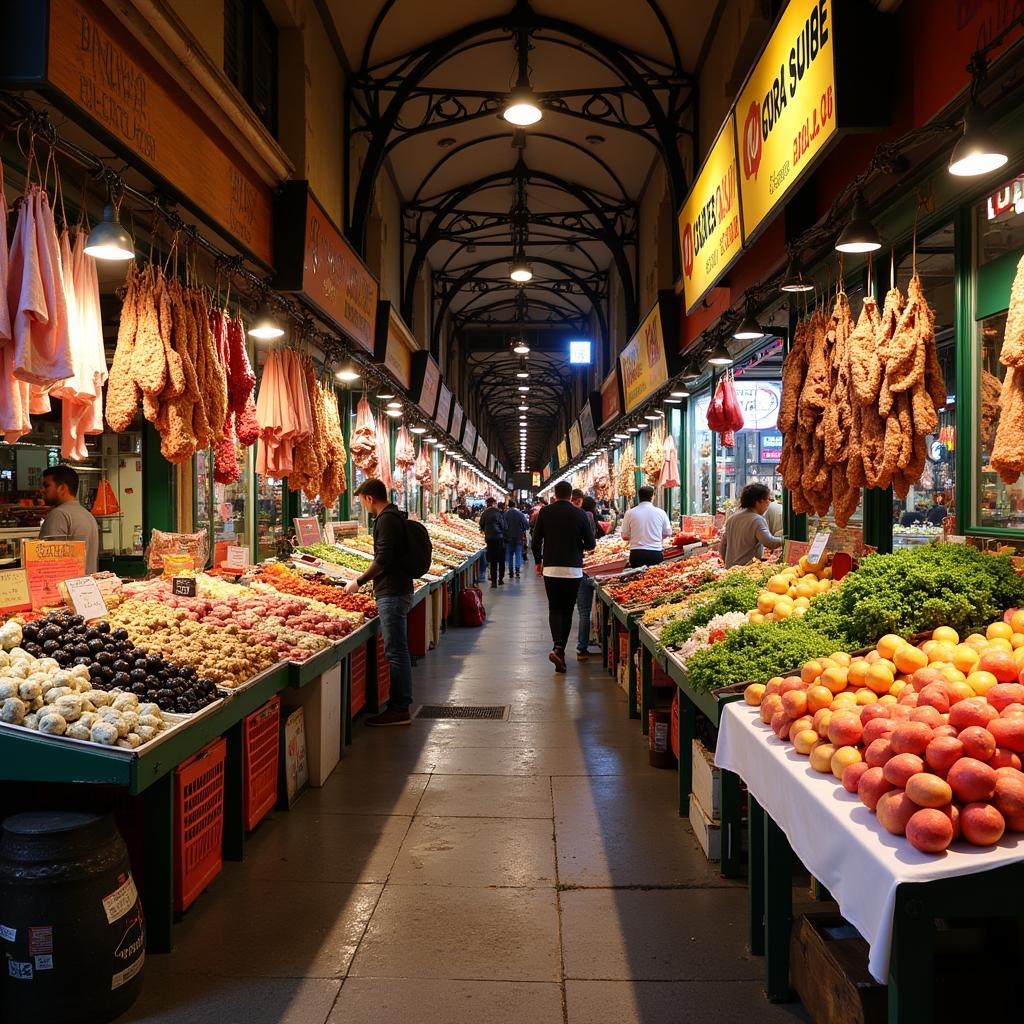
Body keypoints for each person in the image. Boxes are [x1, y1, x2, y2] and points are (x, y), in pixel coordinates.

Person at [344, 479, 414, 727]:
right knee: (397, 649)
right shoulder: (395, 515)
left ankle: (399, 708)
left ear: (369, 499)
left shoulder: (386, 520)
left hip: (392, 592)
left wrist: (359, 582)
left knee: (395, 651)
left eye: (361, 500)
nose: (362, 505)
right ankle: (399, 704)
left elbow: (383, 559)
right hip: (399, 589)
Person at [532, 480, 596, 673]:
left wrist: (538, 561)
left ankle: (557, 646)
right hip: (573, 570)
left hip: (551, 569)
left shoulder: (545, 512)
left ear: (555, 495)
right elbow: (591, 543)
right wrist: (578, 546)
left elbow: (535, 541)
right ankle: (560, 651)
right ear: (571, 496)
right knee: (568, 610)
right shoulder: (580, 514)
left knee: (554, 608)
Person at [39, 465, 99, 574]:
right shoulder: (87, 515)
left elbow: (48, 563)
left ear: (62, 488)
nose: (42, 490)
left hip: (65, 588)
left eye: (46, 486)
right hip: (88, 587)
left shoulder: (58, 514)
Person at [719, 482, 784, 568]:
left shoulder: (732, 518)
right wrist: (785, 539)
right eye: (767, 499)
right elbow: (770, 542)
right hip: (746, 569)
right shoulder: (757, 519)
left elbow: (723, 546)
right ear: (758, 502)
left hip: (730, 569)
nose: (768, 503)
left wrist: (728, 564)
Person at [571, 492, 601, 660]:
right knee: (584, 611)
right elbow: (591, 543)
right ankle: (582, 646)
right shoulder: (584, 515)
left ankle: (581, 646)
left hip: (578, 567)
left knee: (583, 610)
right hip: (586, 565)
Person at [620, 485, 672, 568]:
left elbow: (624, 536)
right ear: (653, 497)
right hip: (655, 553)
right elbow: (668, 532)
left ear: (638, 496)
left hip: (636, 554)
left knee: (636, 580)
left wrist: (636, 536)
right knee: (654, 578)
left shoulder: (629, 513)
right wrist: (657, 536)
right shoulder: (661, 512)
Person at [479, 496, 506, 587]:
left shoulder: (484, 513)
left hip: (489, 539)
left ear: (487, 504)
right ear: (494, 503)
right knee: (501, 559)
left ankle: (494, 581)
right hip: (499, 538)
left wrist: (486, 530)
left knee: (493, 560)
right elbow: (503, 526)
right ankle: (501, 579)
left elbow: (481, 525)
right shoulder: (498, 513)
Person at [503, 500, 529, 578]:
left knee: (510, 555)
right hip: (518, 537)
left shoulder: (505, 514)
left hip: (508, 537)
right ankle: (517, 570)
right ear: (515, 505)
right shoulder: (520, 514)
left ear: (508, 505)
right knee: (518, 554)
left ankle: (511, 572)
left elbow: (503, 525)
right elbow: (526, 525)